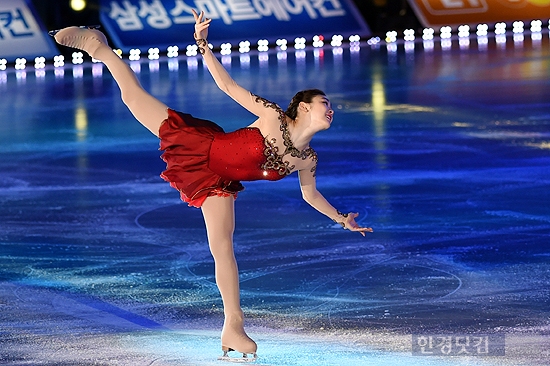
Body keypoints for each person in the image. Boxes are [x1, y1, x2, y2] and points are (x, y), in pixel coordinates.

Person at [50, 10, 373, 362]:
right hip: (198, 145)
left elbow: (310, 194)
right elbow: (228, 86)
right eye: (324, 104)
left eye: (331, 106)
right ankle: (100, 48)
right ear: (303, 107)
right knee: (132, 97)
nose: (331, 110)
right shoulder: (272, 116)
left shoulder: (306, 159)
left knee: (223, 247)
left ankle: (233, 325)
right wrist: (202, 43)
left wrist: (342, 219)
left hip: (217, 181)